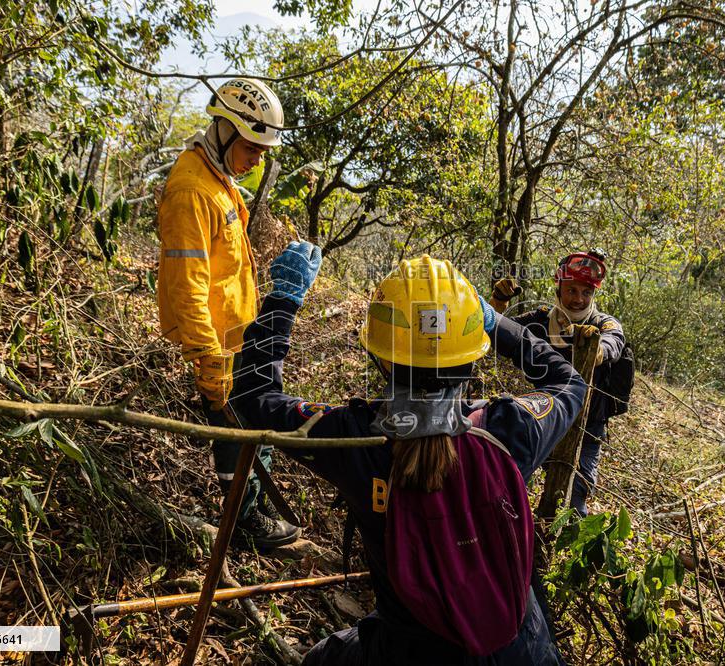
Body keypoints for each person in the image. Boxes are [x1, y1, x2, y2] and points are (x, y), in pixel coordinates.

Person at [234, 246, 587, 664]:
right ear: (475, 351)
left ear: (381, 355)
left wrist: (284, 299)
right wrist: (498, 324)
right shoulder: (509, 430)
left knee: (321, 660)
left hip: (409, 651)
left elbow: (253, 396)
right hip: (522, 649)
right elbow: (570, 383)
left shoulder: (355, 440)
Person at [156, 77, 299, 549]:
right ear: (224, 130)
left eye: (262, 150)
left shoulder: (218, 179)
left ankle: (250, 507)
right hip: (219, 339)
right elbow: (187, 285)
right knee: (235, 433)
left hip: (240, 331)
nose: (257, 159)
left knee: (255, 419)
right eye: (252, 147)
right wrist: (207, 356)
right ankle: (244, 521)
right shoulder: (192, 190)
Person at [508, 250, 626, 517]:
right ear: (559, 287)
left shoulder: (602, 323)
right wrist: (498, 302)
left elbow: (614, 340)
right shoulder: (541, 318)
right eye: (571, 290)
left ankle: (563, 541)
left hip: (589, 425)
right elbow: (504, 329)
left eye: (586, 293)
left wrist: (596, 349)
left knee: (577, 491)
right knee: (516, 477)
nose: (578, 299)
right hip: (546, 415)